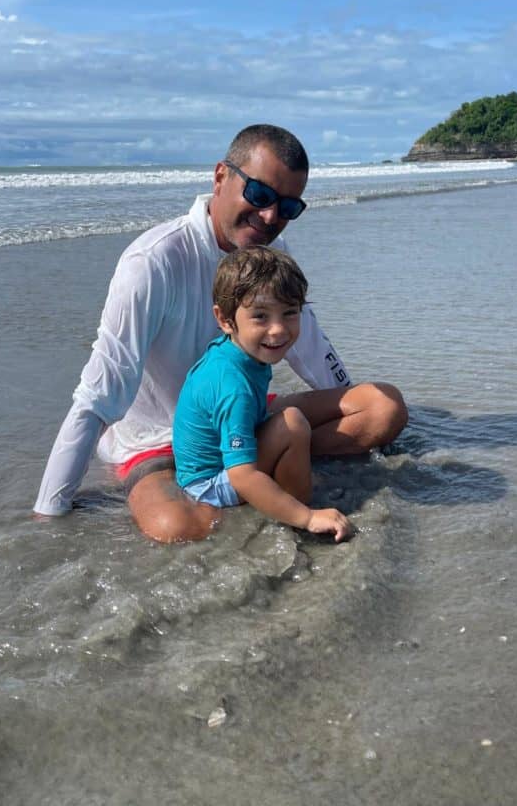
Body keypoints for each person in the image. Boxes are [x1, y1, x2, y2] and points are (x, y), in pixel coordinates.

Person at [34, 124, 407, 541]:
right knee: (178, 528)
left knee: (383, 408)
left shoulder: (270, 254)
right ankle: (260, 480)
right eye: (261, 196)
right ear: (220, 177)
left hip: (243, 413)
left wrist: (347, 403)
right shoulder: (153, 262)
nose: (270, 218)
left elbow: (309, 344)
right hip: (159, 441)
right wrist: (51, 510)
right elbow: (99, 394)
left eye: (288, 207)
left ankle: (258, 476)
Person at [174, 245, 352, 542]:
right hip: (209, 485)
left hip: (216, 463)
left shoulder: (236, 350)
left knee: (290, 422)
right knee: (292, 424)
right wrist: (307, 517)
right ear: (225, 319)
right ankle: (297, 509)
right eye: (260, 316)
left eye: (290, 313)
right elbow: (241, 476)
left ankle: (285, 490)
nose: (278, 330)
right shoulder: (232, 386)